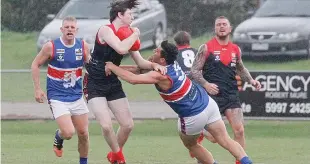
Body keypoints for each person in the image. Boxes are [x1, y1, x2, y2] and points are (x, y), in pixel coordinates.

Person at [105, 40, 253, 164]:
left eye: (157, 51)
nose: (155, 50)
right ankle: (246, 161)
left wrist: (111, 66)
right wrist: (111, 68)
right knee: (225, 140)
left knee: (191, 144)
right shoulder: (170, 63)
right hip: (208, 104)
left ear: (162, 60)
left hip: (193, 115)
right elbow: (138, 69)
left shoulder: (161, 75)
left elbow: (133, 79)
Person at [84, 0, 166, 163]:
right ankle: (119, 158)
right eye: (130, 14)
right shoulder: (105, 30)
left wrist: (154, 64)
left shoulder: (127, 35)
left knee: (128, 125)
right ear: (120, 15)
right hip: (94, 82)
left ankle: (114, 156)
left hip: (112, 82)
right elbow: (121, 48)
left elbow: (140, 63)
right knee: (106, 126)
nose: (133, 17)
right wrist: (135, 33)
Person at [190, 16, 261, 164]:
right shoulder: (206, 47)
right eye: (218, 25)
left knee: (239, 130)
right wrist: (206, 84)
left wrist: (251, 80)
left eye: (224, 24)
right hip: (212, 96)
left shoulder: (236, 49)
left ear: (230, 28)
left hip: (231, 94)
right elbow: (194, 71)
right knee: (214, 138)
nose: (221, 27)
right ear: (215, 29)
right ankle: (202, 137)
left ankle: (240, 161)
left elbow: (240, 68)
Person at [31, 16, 90, 164]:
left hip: (76, 96)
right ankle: (59, 137)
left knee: (83, 133)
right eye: (67, 27)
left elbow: (90, 66)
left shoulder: (83, 46)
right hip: (57, 96)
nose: (70, 29)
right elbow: (35, 64)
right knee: (69, 132)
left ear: (76, 30)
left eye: (72, 27)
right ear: (62, 29)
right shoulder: (51, 46)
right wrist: (37, 89)